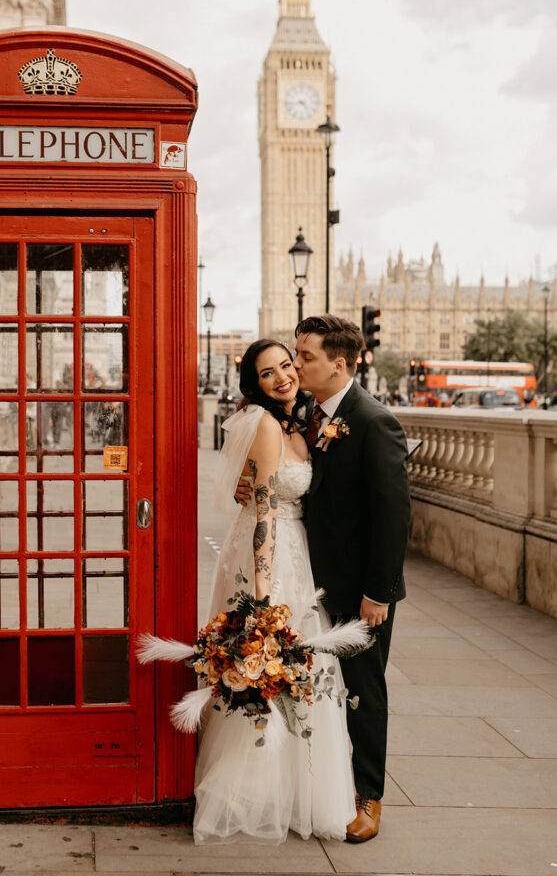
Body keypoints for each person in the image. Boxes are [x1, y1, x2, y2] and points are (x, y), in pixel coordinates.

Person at [243, 314, 410, 843]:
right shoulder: (312, 413)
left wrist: (377, 594)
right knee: (325, 691)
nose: (296, 365)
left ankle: (369, 800)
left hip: (362, 590)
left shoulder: (374, 420)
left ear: (340, 364)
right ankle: (326, 789)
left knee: (363, 692)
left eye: (305, 356)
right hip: (314, 579)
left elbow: (394, 517)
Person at [193, 339, 362, 845]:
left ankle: (289, 788)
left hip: (296, 547)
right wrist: (264, 583)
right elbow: (264, 505)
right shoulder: (267, 425)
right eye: (268, 374)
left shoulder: (302, 418)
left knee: (295, 668)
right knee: (271, 664)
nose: (283, 377)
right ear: (255, 385)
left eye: (287, 366)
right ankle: (249, 790)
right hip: (269, 553)